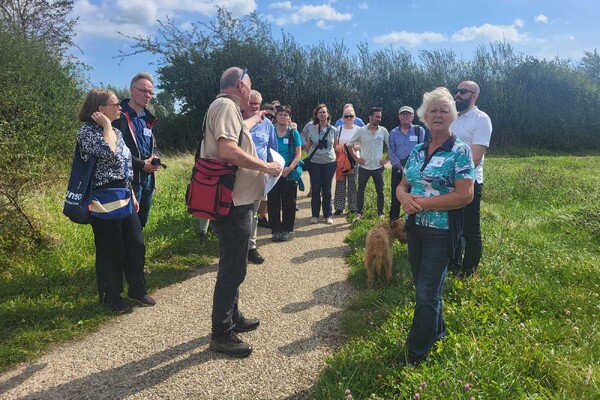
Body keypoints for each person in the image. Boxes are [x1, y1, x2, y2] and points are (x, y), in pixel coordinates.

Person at [203, 67, 281, 357]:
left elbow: (236, 134)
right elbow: (228, 150)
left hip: (237, 200)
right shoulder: (225, 105)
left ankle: (232, 316)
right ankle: (221, 333)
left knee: (235, 264)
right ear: (240, 85)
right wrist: (266, 167)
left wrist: (252, 119)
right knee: (232, 268)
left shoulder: (229, 109)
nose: (251, 90)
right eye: (249, 84)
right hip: (232, 202)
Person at [396, 87, 474, 365]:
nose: (438, 114)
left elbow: (465, 195)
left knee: (427, 293)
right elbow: (403, 185)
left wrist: (425, 203)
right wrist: (404, 197)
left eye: (444, 110)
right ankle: (438, 332)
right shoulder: (417, 151)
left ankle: (414, 355)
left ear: (452, 116)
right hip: (415, 229)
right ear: (425, 116)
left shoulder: (460, 151)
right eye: (433, 110)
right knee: (424, 289)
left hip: (441, 232)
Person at [77, 89, 156, 313]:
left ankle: (137, 290)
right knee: (110, 248)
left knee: (135, 243)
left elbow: (124, 164)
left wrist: (131, 191)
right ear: (101, 110)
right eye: (115, 105)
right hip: (101, 198)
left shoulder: (116, 132)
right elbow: (111, 153)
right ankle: (111, 296)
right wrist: (107, 127)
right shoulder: (87, 132)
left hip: (123, 194)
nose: (120, 107)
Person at [450, 80, 493, 277]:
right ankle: (453, 264)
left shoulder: (481, 119)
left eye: (463, 92)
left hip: (470, 182)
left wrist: (452, 176)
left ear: (474, 95)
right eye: (457, 91)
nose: (457, 95)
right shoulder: (454, 119)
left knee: (470, 228)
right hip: (449, 182)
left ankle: (468, 272)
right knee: (453, 225)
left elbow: (475, 158)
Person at [113, 72, 160, 229]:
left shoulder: (148, 119)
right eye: (143, 91)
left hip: (147, 181)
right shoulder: (118, 116)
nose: (148, 95)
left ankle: (136, 253)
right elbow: (114, 151)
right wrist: (141, 164)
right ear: (132, 90)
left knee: (140, 225)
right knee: (126, 226)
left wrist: (155, 158)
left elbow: (152, 146)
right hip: (128, 180)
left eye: (151, 92)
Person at [243, 90, 278, 264]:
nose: (254, 106)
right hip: (239, 175)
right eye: (251, 102)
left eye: (257, 103)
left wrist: (273, 168)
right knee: (239, 213)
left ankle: (251, 247)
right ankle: (236, 247)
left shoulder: (268, 125)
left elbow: (272, 150)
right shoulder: (236, 120)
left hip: (259, 175)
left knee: (254, 214)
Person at [347, 107, 389, 221]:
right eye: (377, 117)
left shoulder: (383, 131)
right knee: (360, 191)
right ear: (370, 117)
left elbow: (391, 146)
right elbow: (349, 145)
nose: (379, 119)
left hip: (378, 167)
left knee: (380, 191)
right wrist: (356, 158)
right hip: (364, 167)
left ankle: (380, 213)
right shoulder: (361, 131)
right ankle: (359, 212)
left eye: (380, 117)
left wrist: (386, 160)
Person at [268, 105, 302, 241]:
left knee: (289, 202)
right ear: (276, 117)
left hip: (288, 172)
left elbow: (298, 154)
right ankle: (275, 230)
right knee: (273, 202)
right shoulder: (271, 131)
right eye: (280, 114)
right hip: (273, 172)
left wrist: (289, 168)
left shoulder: (293, 133)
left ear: (289, 118)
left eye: (286, 115)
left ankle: (287, 229)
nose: (283, 116)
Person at [388, 106, 426, 221]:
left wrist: (412, 167)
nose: (405, 116)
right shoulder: (394, 133)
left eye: (408, 114)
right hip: (398, 168)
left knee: (414, 195)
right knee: (396, 197)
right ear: (399, 117)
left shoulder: (419, 130)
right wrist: (400, 165)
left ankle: (412, 223)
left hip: (414, 169)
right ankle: (393, 223)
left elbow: (423, 149)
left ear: (413, 116)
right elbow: (391, 151)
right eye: (403, 114)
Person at [304, 103, 338, 224]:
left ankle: (328, 214)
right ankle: (315, 215)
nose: (322, 114)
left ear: (327, 114)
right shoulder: (312, 128)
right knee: (316, 188)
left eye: (324, 112)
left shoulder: (334, 129)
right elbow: (308, 146)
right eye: (320, 113)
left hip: (329, 162)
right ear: (316, 115)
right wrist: (314, 155)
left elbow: (335, 146)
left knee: (327, 189)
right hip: (315, 163)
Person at [333, 106, 360, 215]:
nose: (349, 118)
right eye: (346, 116)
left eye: (351, 116)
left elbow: (362, 144)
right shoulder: (338, 129)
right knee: (340, 183)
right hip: (341, 160)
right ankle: (339, 207)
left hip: (354, 160)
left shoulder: (359, 129)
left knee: (353, 184)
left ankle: (353, 207)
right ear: (343, 118)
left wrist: (355, 147)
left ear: (354, 117)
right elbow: (334, 145)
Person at [257, 103, 278, 228]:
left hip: (263, 167)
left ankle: (261, 217)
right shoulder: (248, 121)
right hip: (244, 167)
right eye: (267, 114)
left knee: (263, 195)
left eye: (272, 116)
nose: (269, 118)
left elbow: (272, 147)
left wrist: (271, 166)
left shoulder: (269, 126)